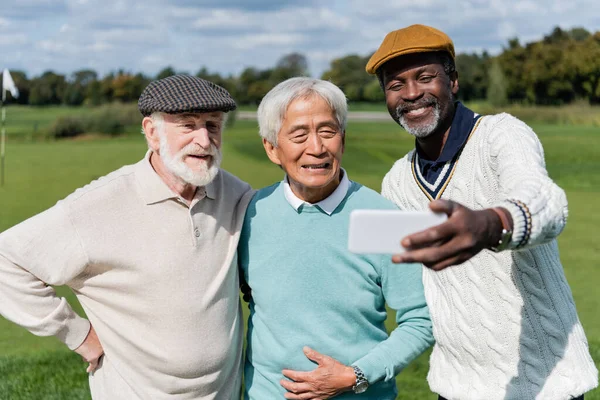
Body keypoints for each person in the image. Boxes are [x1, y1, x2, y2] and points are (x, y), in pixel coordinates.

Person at [365, 24, 598, 400]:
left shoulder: (500, 134)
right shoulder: (396, 181)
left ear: (453, 81)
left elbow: (546, 202)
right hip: (456, 387)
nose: (411, 94)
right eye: (395, 85)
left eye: (425, 77)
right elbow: (389, 270)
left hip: (547, 384)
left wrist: (491, 224)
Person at [0, 75, 254, 399]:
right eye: (188, 126)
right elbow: (4, 260)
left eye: (212, 125)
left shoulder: (236, 195)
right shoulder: (96, 206)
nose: (204, 140)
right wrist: (78, 335)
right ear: (152, 132)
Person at [238, 77, 434, 399]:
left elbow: (420, 320)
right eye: (299, 135)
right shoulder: (250, 215)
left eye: (327, 132)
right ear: (272, 148)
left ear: (342, 140)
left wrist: (355, 376)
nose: (316, 148)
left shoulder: (383, 218)